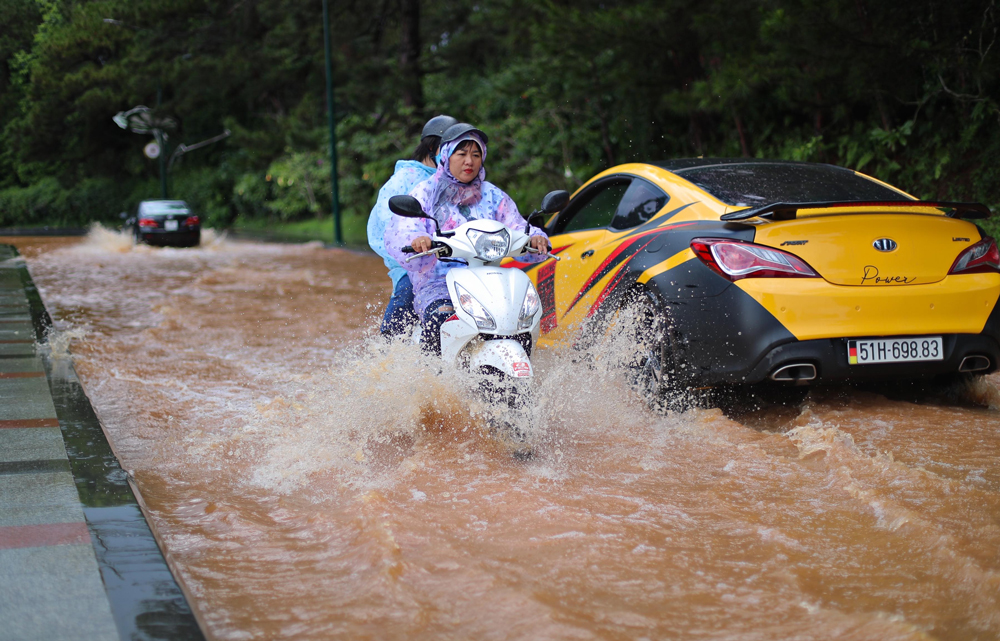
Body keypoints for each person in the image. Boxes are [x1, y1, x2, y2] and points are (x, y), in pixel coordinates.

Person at [384, 123, 549, 355]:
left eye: (476, 154)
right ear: (446, 156)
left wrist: (536, 238)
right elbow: (404, 228)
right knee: (439, 318)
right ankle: (433, 384)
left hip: (491, 282)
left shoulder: (493, 195)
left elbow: (517, 225)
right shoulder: (425, 192)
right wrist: (418, 239)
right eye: (461, 154)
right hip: (439, 283)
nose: (469, 161)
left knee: (520, 320)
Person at [367, 114, 458, 337]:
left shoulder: (458, 183)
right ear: (431, 148)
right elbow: (389, 224)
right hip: (415, 263)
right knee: (407, 295)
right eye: (450, 149)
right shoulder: (405, 180)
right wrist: (413, 244)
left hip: (456, 261)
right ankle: (389, 349)